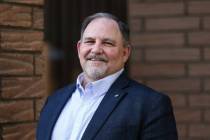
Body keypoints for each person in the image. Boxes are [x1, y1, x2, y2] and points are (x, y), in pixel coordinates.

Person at [36, 12, 178, 140]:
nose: (96, 49)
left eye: (107, 43)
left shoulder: (150, 105)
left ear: (125, 53)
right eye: (90, 41)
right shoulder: (54, 100)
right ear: (79, 49)